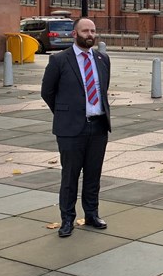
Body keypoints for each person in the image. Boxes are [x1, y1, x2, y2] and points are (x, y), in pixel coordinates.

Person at [40, 17, 112, 238]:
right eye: (85, 31)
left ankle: (91, 214)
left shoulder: (102, 59)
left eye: (92, 31)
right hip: (70, 129)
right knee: (70, 176)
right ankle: (67, 219)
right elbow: (47, 92)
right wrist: (65, 113)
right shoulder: (59, 60)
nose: (89, 34)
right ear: (75, 34)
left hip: (98, 126)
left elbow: (103, 89)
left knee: (93, 175)